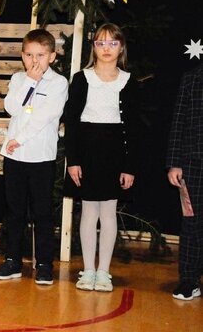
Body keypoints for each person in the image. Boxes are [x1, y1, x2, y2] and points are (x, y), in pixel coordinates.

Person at [63, 23, 140, 292]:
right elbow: (72, 123)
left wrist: (129, 166)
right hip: (87, 151)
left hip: (114, 152)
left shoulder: (128, 81)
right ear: (93, 47)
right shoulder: (82, 79)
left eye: (112, 43)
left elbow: (134, 128)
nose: (106, 49)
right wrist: (73, 160)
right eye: (101, 43)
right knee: (88, 211)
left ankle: (104, 271)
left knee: (108, 212)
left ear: (121, 48)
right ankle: (88, 270)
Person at [0, 29, 68, 285]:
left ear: (52, 56)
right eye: (29, 55)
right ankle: (12, 260)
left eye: (40, 55)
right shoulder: (18, 79)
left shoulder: (58, 83)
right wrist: (30, 82)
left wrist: (19, 139)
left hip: (40, 157)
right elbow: (11, 107)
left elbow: (44, 116)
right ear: (22, 56)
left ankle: (44, 264)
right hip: (14, 157)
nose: (34, 61)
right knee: (14, 211)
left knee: (42, 212)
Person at [166, 62, 203, 301]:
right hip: (193, 162)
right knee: (192, 221)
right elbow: (178, 122)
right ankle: (189, 280)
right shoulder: (192, 79)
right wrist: (174, 163)